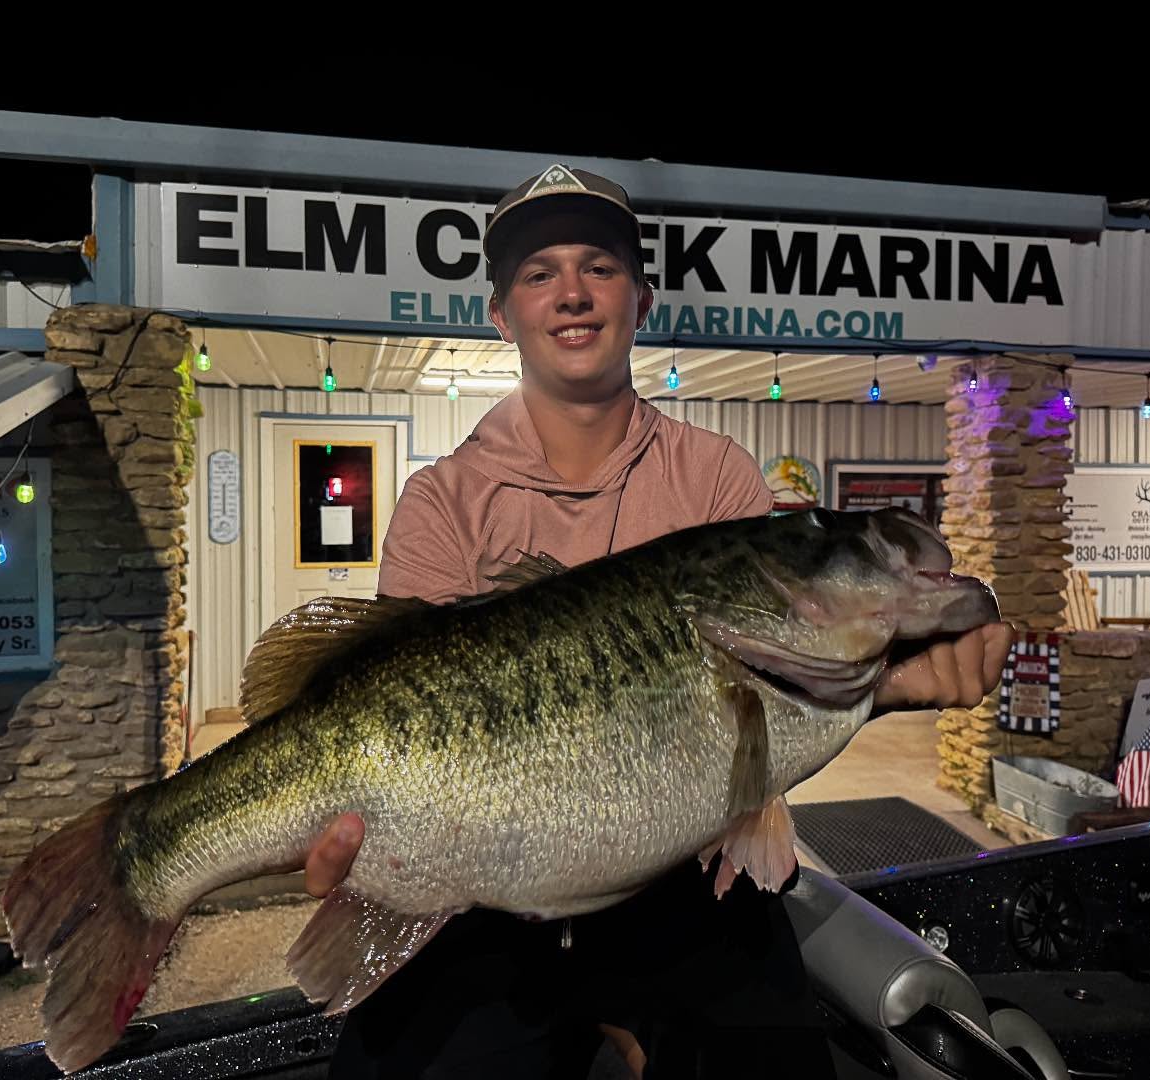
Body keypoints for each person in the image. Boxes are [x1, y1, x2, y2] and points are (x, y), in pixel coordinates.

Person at [308, 165, 1015, 1077]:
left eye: (598, 267)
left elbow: (764, 710)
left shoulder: (716, 480)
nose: (571, 293)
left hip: (687, 878)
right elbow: (393, 722)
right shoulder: (443, 502)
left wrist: (895, 678)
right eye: (538, 273)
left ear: (640, 302)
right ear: (500, 314)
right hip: (487, 888)